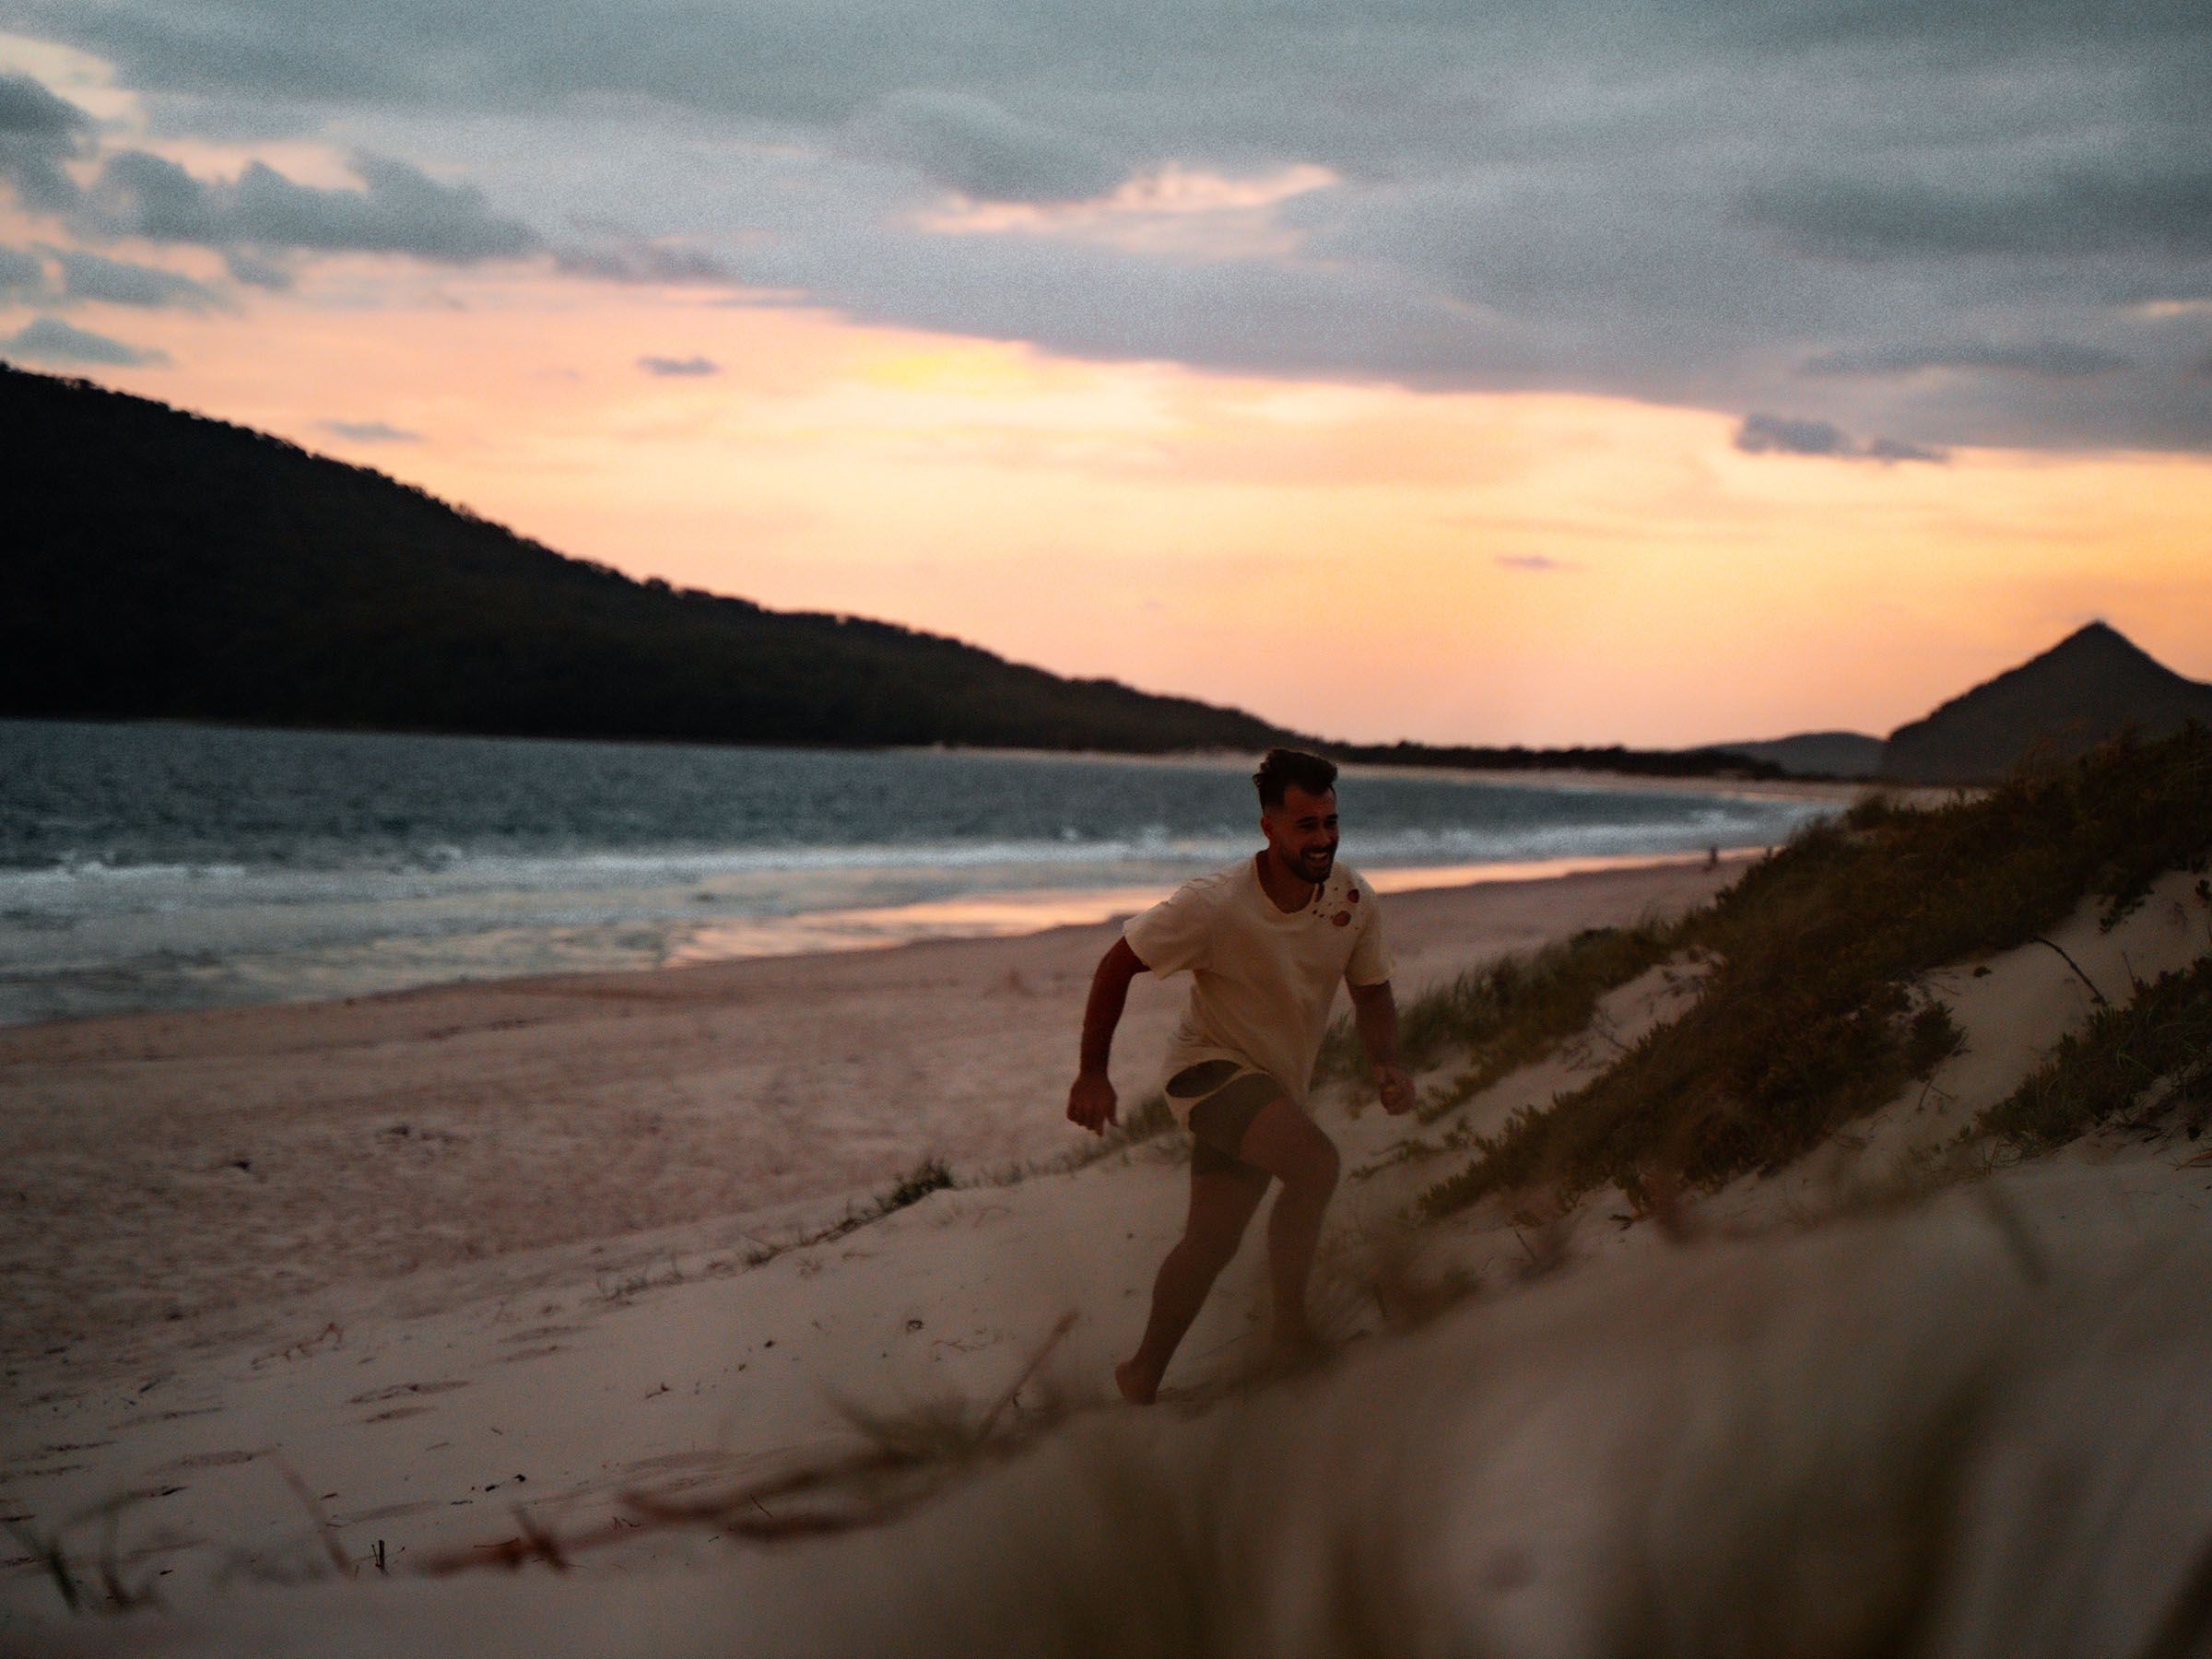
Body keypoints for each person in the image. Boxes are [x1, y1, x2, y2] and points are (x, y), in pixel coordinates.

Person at [1065, 747, 1414, 1404]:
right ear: (1269, 827)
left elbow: (1371, 992)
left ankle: (1141, 1375)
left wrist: (1386, 1063)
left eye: (1331, 822)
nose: (1323, 839)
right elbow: (1117, 964)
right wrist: (1093, 1074)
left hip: (1271, 1085)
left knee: (1210, 1242)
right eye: (1306, 825)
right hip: (1208, 1072)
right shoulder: (1216, 904)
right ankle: (1289, 1337)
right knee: (1315, 1165)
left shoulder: (1352, 899)